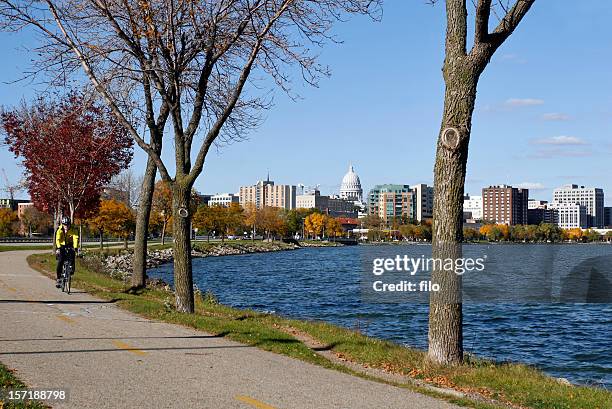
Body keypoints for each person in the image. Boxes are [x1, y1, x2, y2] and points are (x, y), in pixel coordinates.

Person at [55, 216, 79, 288]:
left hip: (69, 244)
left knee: (72, 255)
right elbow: (57, 239)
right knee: (60, 260)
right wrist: (58, 248)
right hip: (61, 245)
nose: (66, 226)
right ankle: (59, 278)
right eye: (65, 224)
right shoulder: (59, 230)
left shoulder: (73, 229)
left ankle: (71, 268)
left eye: (68, 224)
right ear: (62, 224)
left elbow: (75, 238)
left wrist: (75, 247)